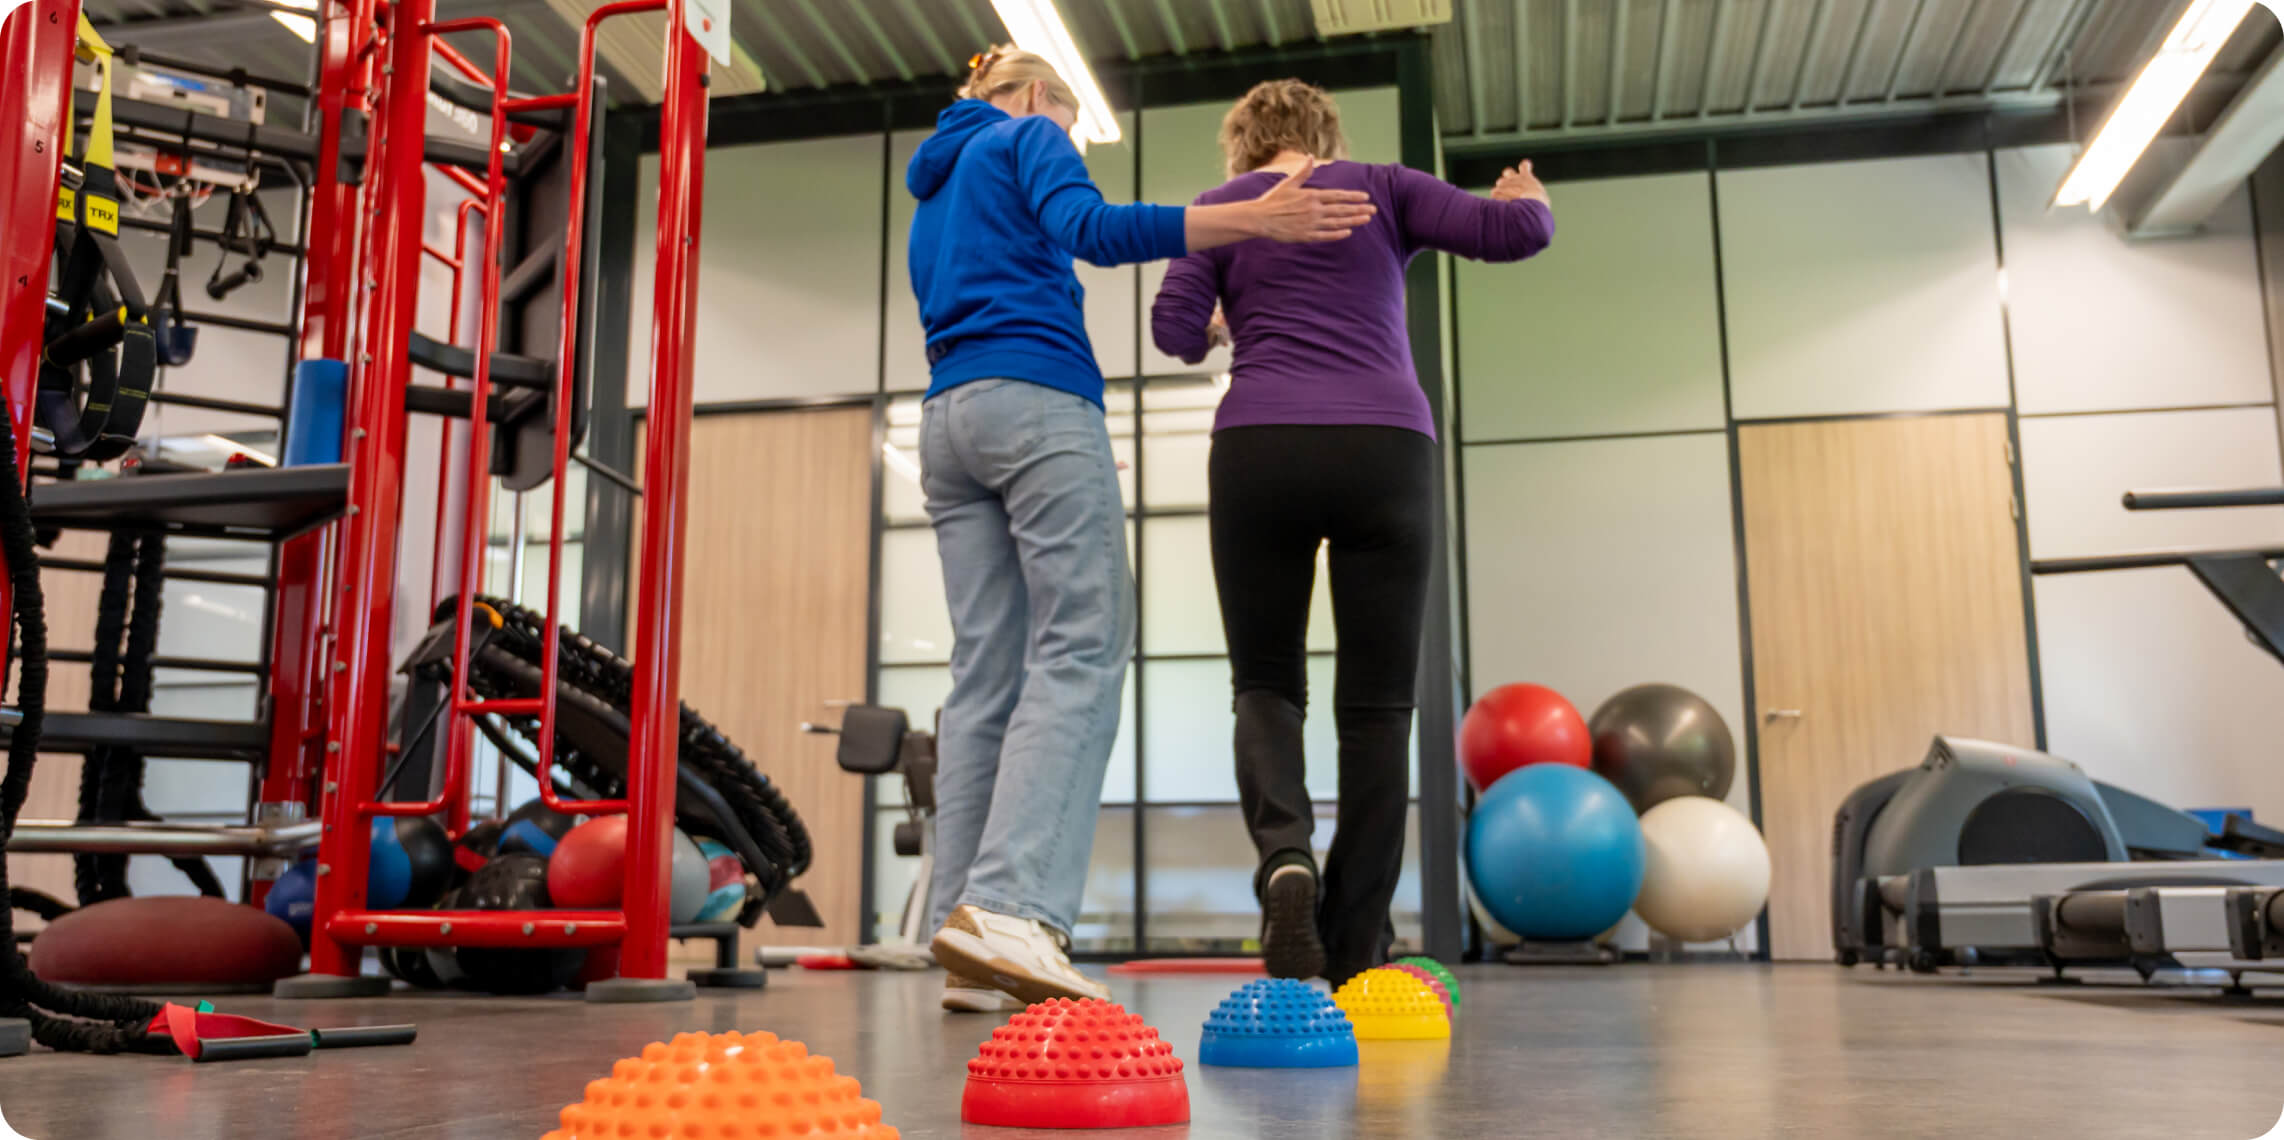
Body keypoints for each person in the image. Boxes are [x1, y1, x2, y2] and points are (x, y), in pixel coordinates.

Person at [907, 50, 1377, 1012]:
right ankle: (1013, 911)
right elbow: (1092, 229)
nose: (1070, 145)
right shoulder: (1026, 135)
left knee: (986, 673)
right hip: (1037, 398)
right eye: (1072, 125)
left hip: (948, 421)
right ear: (1037, 97)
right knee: (1084, 642)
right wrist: (1254, 215)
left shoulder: (935, 182)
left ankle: (960, 935)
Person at [1150, 79, 1553, 985]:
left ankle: (1284, 860)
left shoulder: (1221, 206)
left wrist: (1218, 323)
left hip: (1261, 449)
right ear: (1326, 135)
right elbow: (1515, 235)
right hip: (1385, 450)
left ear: (1243, 143)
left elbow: (1172, 330)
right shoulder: (1386, 186)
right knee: (1377, 708)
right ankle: (1353, 941)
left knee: (1266, 684)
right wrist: (1530, 199)